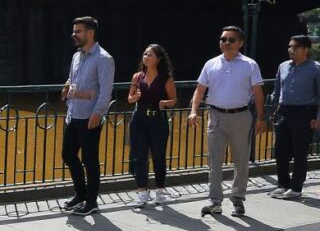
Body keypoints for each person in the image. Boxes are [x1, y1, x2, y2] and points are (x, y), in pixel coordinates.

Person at [188, 26, 265, 217]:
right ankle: (215, 201)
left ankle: (238, 199)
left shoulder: (250, 64)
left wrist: (261, 118)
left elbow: (258, 93)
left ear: (240, 43)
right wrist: (193, 111)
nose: (226, 43)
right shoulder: (211, 64)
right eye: (223, 39)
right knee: (214, 160)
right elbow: (199, 90)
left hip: (241, 116)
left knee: (241, 160)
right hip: (216, 116)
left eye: (231, 40)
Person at [60, 16, 115, 216]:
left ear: (90, 33)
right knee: (67, 154)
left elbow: (106, 90)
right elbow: (72, 77)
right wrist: (67, 85)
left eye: (78, 31)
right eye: (74, 31)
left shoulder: (103, 58)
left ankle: (91, 202)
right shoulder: (77, 56)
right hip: (73, 113)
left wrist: (97, 113)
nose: (73, 34)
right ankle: (81, 194)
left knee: (90, 160)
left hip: (89, 116)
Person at [269, 34, 320, 200]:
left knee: (300, 152)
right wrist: (273, 110)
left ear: (306, 49)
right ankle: (283, 184)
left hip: (304, 113)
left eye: (295, 47)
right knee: (280, 151)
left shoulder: (315, 68)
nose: (291, 50)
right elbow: (277, 89)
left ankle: (296, 188)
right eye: (290, 46)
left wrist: (317, 117)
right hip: (284, 112)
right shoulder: (283, 66)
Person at [127, 44, 178, 207]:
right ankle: (142, 191)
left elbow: (174, 100)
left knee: (158, 156)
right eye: (145, 54)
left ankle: (160, 190)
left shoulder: (166, 78)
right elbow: (129, 98)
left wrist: (165, 103)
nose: (146, 57)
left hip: (157, 120)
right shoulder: (137, 76)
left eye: (150, 55)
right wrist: (135, 98)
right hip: (139, 120)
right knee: (140, 156)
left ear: (159, 59)